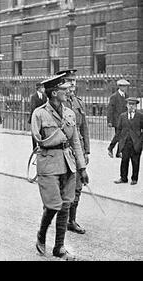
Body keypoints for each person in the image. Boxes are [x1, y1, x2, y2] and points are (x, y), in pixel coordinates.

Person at [30, 73, 89, 261]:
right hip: (48, 163)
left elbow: (76, 142)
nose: (68, 91)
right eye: (64, 89)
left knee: (66, 204)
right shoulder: (39, 114)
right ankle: (41, 234)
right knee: (53, 204)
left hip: (68, 163)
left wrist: (82, 168)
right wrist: (60, 133)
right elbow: (39, 140)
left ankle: (59, 247)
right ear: (54, 92)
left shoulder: (70, 113)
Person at [57, 69, 90, 235]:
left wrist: (87, 152)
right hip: (62, 150)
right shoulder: (57, 103)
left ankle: (71, 220)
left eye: (74, 81)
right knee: (63, 185)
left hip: (78, 150)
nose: (72, 85)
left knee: (77, 186)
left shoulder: (78, 103)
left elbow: (84, 128)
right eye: (69, 81)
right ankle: (60, 218)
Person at [108, 97, 143, 185]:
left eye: (133, 105)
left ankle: (134, 178)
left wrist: (140, 141)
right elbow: (118, 132)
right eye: (129, 104)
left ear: (136, 106)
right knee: (124, 160)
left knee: (135, 161)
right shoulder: (122, 116)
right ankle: (123, 178)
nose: (131, 106)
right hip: (125, 143)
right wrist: (111, 146)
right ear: (126, 105)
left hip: (136, 143)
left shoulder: (140, 116)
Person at [107, 79, 131, 157]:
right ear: (119, 86)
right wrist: (109, 121)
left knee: (122, 136)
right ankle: (110, 148)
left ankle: (118, 152)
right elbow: (110, 109)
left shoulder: (127, 96)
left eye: (125, 86)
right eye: (122, 86)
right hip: (117, 120)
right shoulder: (114, 96)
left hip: (124, 120)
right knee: (118, 135)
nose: (124, 88)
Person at [29, 82, 47, 150]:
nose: (43, 89)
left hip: (42, 117)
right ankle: (34, 147)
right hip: (35, 116)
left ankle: (41, 146)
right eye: (42, 87)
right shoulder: (33, 97)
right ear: (38, 89)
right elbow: (33, 108)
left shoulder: (44, 96)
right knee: (34, 132)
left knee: (42, 131)